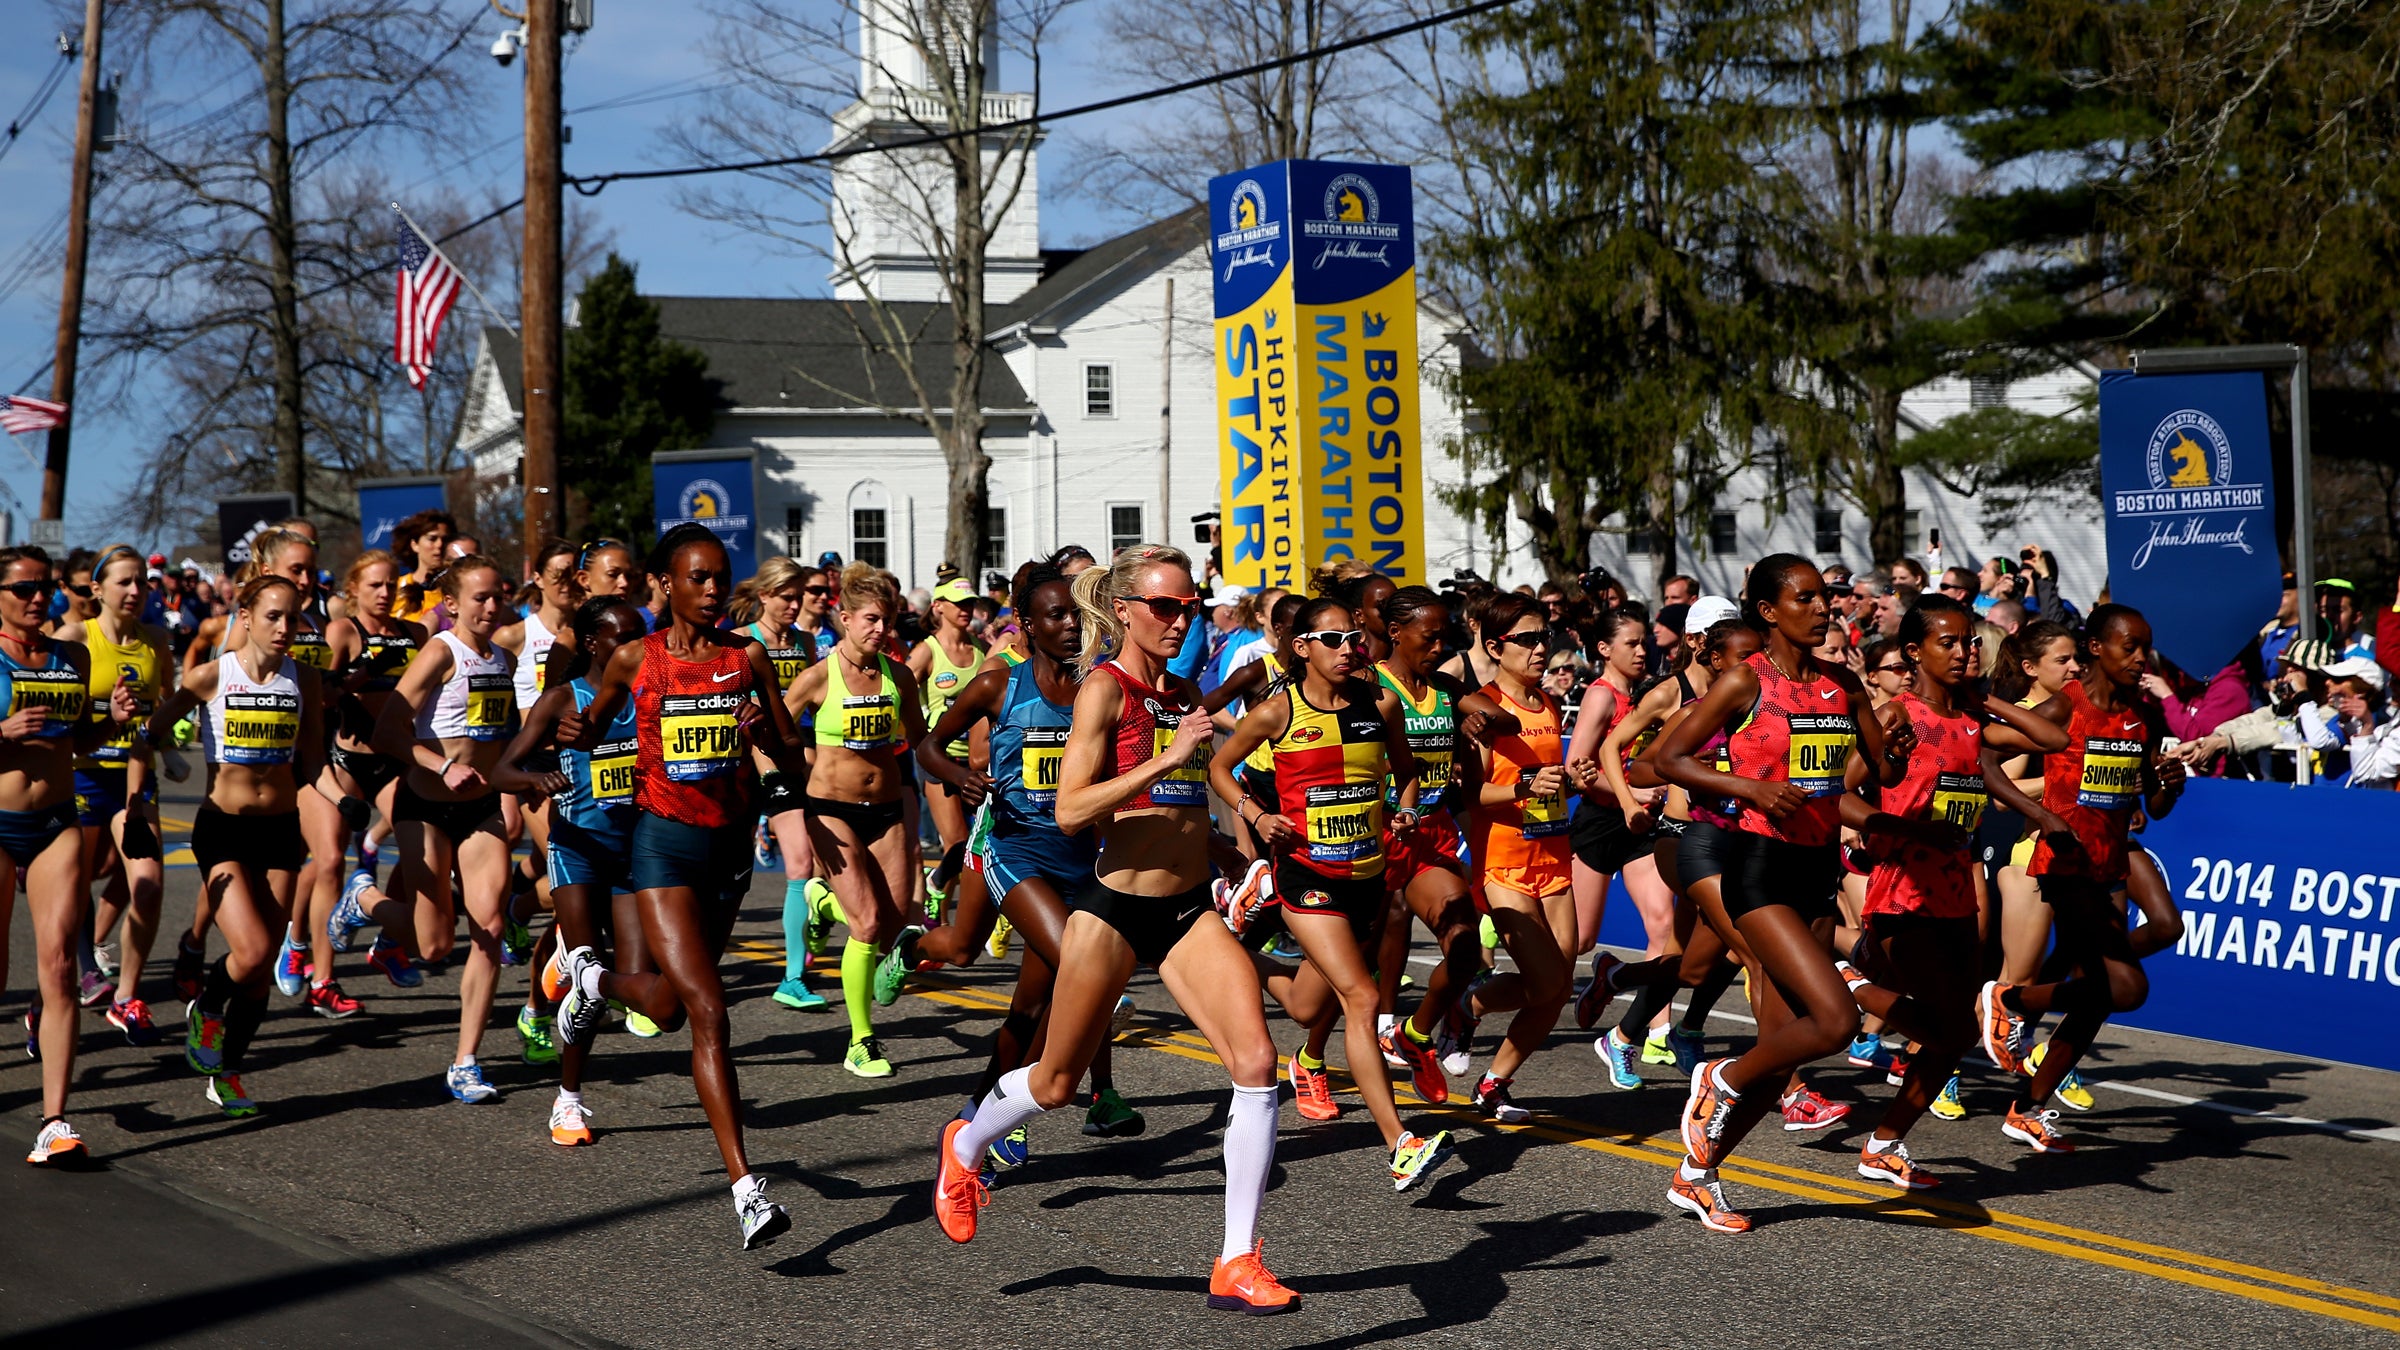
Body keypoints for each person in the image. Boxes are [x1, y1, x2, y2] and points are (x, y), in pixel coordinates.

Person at [932, 544, 1299, 1316]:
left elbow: (1179, 797)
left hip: (1187, 908)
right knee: (1057, 1084)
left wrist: (1221, 843)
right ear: (1124, 610)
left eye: (1190, 606)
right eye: (1165, 607)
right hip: (1113, 909)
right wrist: (1167, 756)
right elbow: (1072, 809)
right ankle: (965, 1144)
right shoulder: (1105, 689)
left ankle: (1237, 1259)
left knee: (1259, 1061)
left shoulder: (1183, 691)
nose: (1180, 619)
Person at [553, 525, 809, 1247]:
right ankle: (746, 1189)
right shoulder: (638, 657)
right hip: (660, 848)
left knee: (666, 1008)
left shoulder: (747, 656)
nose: (710, 590)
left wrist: (766, 730)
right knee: (709, 1009)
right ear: (665, 584)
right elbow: (591, 725)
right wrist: (570, 732)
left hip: (727, 851)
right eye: (695, 578)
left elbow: (791, 751)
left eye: (719, 577)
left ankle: (591, 982)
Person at [1653, 553, 1906, 1233]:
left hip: (1817, 868)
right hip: (1759, 868)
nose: (1823, 608)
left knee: (1783, 1049)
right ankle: (1718, 1080)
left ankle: (1696, 1178)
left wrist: (1896, 741)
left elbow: (1877, 770)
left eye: (1825, 598)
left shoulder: (1840, 683)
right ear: (1769, 612)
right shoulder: (1744, 681)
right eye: (1806, 599)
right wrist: (1749, 788)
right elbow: (1665, 759)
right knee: (1834, 1022)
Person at [1210, 595, 1454, 1190]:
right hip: (1307, 875)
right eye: (1335, 640)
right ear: (1303, 649)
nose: (1351, 649)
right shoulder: (1276, 711)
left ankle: (1231, 943)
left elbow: (1409, 773)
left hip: (1366, 877)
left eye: (1355, 639)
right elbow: (1222, 768)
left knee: (1304, 1006)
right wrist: (1255, 815)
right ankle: (1400, 1143)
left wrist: (1403, 807)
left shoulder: (1383, 707)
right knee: (1364, 1000)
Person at [914, 559, 1147, 1157]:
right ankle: (912, 946)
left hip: (1080, 855)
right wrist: (961, 778)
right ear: (1026, 625)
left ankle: (984, 1111)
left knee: (1031, 1006)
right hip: (1012, 847)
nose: (1071, 625)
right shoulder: (999, 685)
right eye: (1056, 616)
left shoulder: (1102, 687)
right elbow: (929, 745)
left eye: (1076, 613)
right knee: (1055, 963)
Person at [1837, 595, 2065, 1189]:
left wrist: (1983, 698)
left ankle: (1885, 1145)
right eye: (1949, 643)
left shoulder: (1970, 720)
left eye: (1969, 643)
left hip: (1957, 892)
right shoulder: (1895, 716)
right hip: (1902, 889)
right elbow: (1838, 792)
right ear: (1914, 653)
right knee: (1950, 1029)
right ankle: (1854, 985)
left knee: (1955, 1033)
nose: (1964, 652)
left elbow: (2052, 738)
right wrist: (1901, 828)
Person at [1978, 603, 2185, 1153]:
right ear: (2096, 647)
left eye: (2146, 647)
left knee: (2154, 939)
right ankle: (2015, 1002)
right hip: (2067, 863)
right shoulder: (2063, 707)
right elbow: (1986, 755)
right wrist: (2045, 814)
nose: (2142, 658)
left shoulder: (2139, 716)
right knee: (2125, 987)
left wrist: (2171, 781)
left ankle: (2026, 1106)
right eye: (2130, 647)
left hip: (2114, 856)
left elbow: (2155, 804)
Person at [143, 573, 320, 1122]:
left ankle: (227, 1073)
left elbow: (312, 762)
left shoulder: (305, 680)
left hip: (281, 828)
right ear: (245, 617)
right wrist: (165, 754)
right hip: (222, 828)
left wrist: (340, 801)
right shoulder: (209, 676)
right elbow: (156, 728)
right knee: (249, 949)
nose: (285, 628)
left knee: (263, 961)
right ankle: (208, 1006)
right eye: (273, 616)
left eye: (293, 617)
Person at [492, 596, 648, 1146]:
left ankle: (566, 959)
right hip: (577, 849)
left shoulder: (647, 692)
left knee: (632, 983)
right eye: (622, 637)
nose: (635, 646)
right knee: (592, 987)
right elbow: (502, 769)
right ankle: (569, 1101)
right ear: (590, 643)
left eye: (640, 634)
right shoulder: (562, 699)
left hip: (636, 851)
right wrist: (536, 781)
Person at [372, 556, 521, 1102]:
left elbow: (503, 737)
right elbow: (388, 728)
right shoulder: (440, 651)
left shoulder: (504, 657)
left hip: (479, 808)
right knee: (433, 945)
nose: (491, 606)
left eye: (497, 597)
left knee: (489, 926)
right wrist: (442, 765)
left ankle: (466, 1060)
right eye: (479, 598)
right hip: (426, 804)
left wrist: (507, 791)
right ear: (452, 604)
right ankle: (362, 900)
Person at [4, 546, 136, 1161]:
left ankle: (54, 1121)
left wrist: (110, 721)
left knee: (58, 967)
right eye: (24, 588)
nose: (38, 598)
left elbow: (77, 737)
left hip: (56, 820)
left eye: (46, 587)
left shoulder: (71, 656)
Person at [781, 563, 931, 1078]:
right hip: (831, 811)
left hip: (886, 808)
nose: (880, 630)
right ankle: (861, 1040)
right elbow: (769, 733)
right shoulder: (818, 678)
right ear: (844, 619)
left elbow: (922, 739)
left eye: (886, 621)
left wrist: (962, 770)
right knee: (866, 925)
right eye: (869, 619)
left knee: (890, 929)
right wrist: (777, 781)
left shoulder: (900, 675)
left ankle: (822, 904)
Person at [71, 545, 172, 1043]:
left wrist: (170, 747)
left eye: (142, 583)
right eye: (124, 582)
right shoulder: (74, 639)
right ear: (97, 589)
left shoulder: (156, 640)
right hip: (82, 778)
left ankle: (127, 996)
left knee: (148, 883)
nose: (135, 592)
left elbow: (165, 708)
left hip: (134, 781)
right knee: (75, 888)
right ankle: (55, 992)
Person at [319, 551, 431, 996]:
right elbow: (323, 695)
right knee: (327, 861)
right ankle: (314, 964)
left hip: (394, 760)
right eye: (375, 586)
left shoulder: (416, 633)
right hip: (347, 759)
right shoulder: (344, 631)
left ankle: (388, 942)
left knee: (416, 848)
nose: (385, 594)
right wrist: (366, 673)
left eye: (391, 586)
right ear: (354, 591)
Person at [729, 556, 829, 1012]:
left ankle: (795, 971)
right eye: (785, 597)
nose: (794, 605)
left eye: (798, 597)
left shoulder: (806, 642)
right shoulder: (742, 642)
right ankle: (791, 976)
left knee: (816, 864)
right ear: (764, 596)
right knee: (795, 864)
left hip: (804, 756)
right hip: (760, 756)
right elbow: (741, 711)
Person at [909, 577, 985, 868]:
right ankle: (937, 907)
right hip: (941, 757)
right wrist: (919, 734)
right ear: (938, 607)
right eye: (959, 603)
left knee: (980, 842)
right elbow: (900, 691)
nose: (966, 609)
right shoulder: (927, 650)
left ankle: (942, 891)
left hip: (976, 759)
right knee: (956, 842)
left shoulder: (980, 648)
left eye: (970, 603)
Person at [389, 509, 457, 628]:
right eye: (432, 539)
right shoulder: (394, 588)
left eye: (445, 539)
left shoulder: (458, 588)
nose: (439, 545)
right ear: (414, 544)